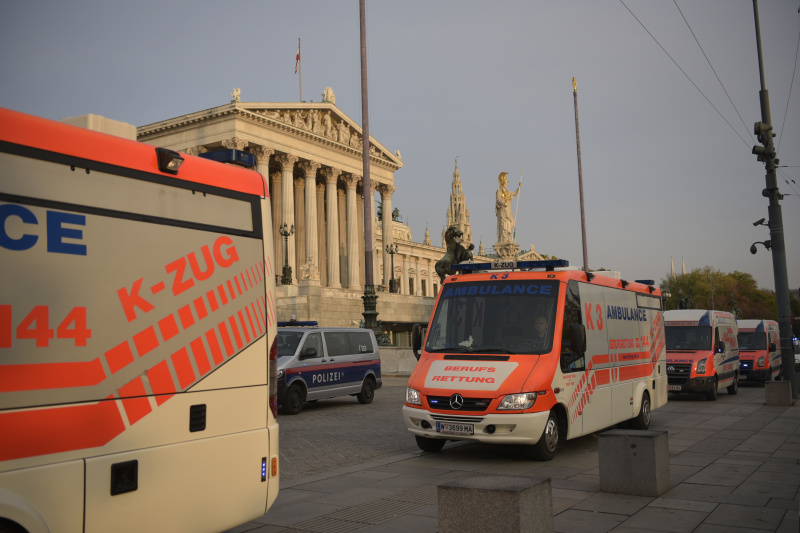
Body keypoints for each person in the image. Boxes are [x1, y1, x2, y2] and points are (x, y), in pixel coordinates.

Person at [495, 172, 519, 243]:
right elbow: (498, 199)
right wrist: (503, 203)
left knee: (509, 224)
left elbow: (514, 193)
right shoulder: (499, 191)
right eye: (506, 184)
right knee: (504, 224)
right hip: (502, 211)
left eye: (507, 184)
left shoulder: (508, 192)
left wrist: (519, 187)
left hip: (508, 210)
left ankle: (508, 237)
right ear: (502, 184)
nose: (507, 185)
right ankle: (503, 239)